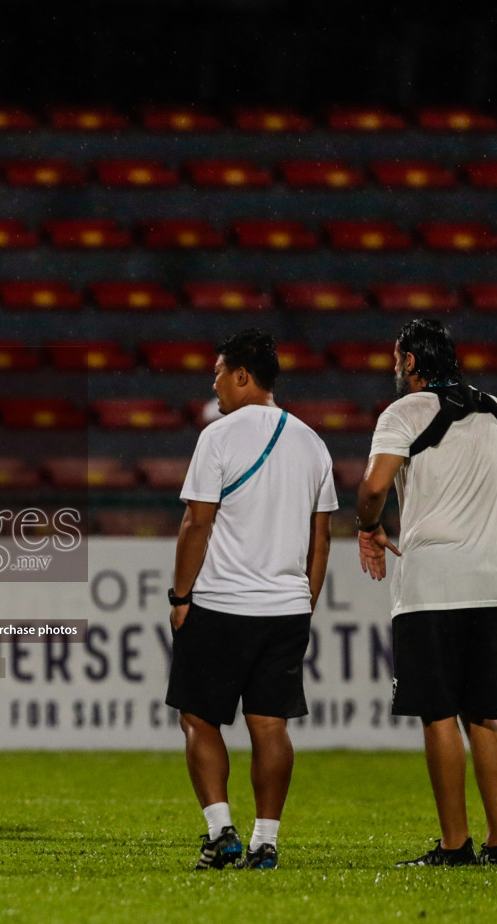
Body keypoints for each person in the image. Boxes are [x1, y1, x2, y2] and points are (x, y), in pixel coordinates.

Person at [355, 319, 497, 868]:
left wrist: (367, 526)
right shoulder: (494, 408)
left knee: (439, 713)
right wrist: (495, 520)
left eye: (397, 359)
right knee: (482, 715)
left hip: (431, 582)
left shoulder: (402, 413)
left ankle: (454, 846)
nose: (394, 368)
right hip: (488, 579)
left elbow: (374, 486)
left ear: (413, 363)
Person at [166, 329, 336, 871]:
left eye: (218, 372)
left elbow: (196, 522)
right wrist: (305, 600)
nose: (213, 383)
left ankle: (222, 833)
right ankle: (267, 841)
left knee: (197, 717)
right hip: (286, 607)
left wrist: (181, 594)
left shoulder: (218, 436)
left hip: (220, 603)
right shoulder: (313, 442)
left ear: (242, 375)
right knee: (270, 725)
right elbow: (322, 536)